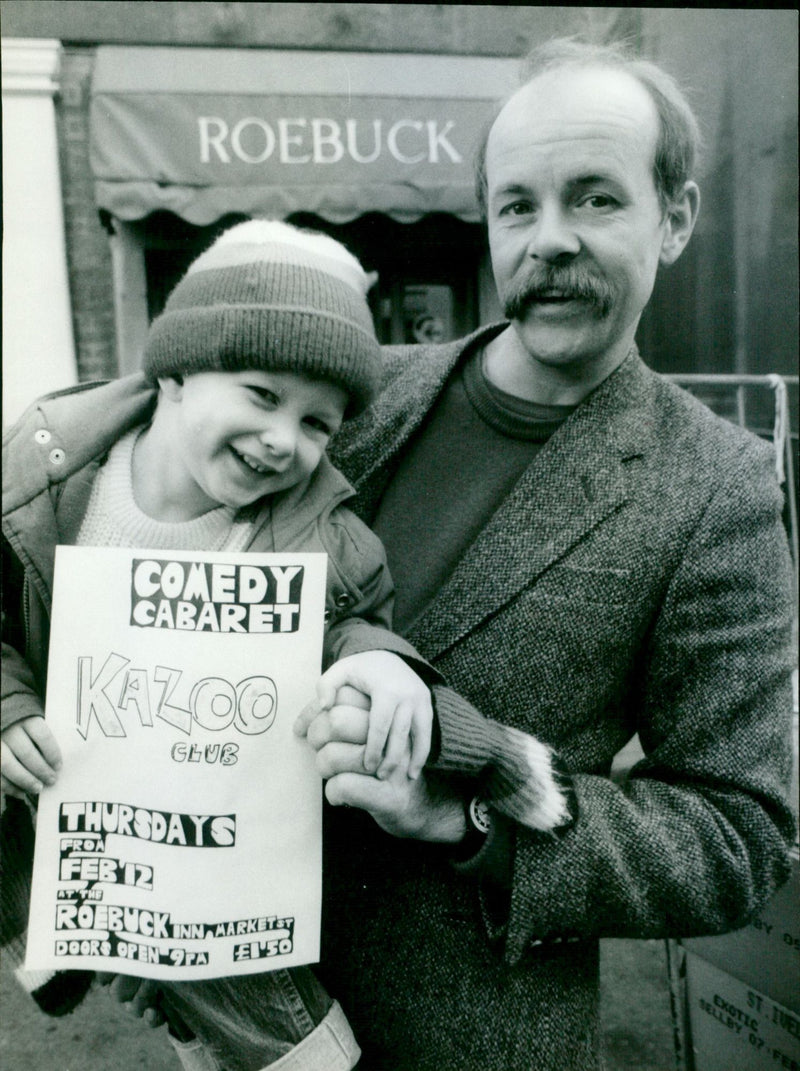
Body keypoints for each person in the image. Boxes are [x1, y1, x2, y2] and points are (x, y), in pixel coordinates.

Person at [294, 38, 797, 1071]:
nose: (548, 240)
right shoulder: (347, 395)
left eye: (594, 199)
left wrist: (465, 814)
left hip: (463, 1037)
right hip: (238, 1001)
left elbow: (735, 835)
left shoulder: (716, 486)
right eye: (517, 205)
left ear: (676, 219)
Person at [0, 219, 449, 1071]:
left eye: (319, 422)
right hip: (70, 824)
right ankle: (64, 941)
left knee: (247, 1014)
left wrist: (381, 663)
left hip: (224, 866)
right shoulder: (46, 476)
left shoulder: (325, 536)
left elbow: (352, 622)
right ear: (175, 370)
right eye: (260, 393)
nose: (286, 439)